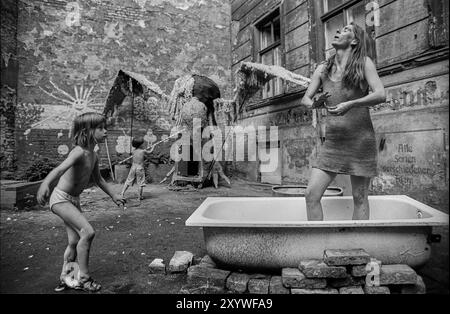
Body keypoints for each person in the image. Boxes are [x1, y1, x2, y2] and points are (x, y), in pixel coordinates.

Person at [301, 22, 386, 221]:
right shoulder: (323, 68)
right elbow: (305, 99)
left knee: (359, 197)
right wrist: (315, 104)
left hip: (360, 141)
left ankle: (358, 244)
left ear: (354, 40)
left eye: (346, 30)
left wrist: (351, 103)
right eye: (340, 28)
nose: (339, 31)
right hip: (333, 142)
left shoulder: (364, 63)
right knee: (311, 195)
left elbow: (381, 94)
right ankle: (318, 243)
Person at [36, 112, 125, 292]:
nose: (105, 131)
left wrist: (114, 195)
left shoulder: (93, 155)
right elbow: (59, 169)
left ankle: (66, 277)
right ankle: (84, 278)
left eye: (105, 127)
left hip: (73, 200)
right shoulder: (78, 152)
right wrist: (45, 183)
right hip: (60, 199)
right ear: (87, 131)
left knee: (74, 240)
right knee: (88, 232)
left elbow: (99, 180)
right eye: (100, 128)